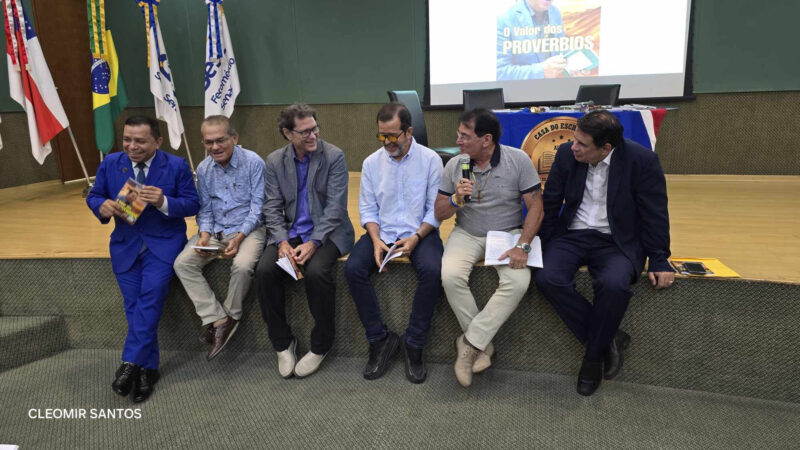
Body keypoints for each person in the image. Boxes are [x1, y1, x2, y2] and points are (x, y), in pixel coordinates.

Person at [534, 110, 674, 396]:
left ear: (605, 148)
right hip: (572, 234)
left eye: (582, 144)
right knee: (547, 278)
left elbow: (655, 212)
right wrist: (540, 244)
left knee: (614, 285)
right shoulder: (566, 154)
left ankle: (592, 358)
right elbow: (551, 202)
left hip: (617, 240)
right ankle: (609, 338)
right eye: (575, 140)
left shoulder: (641, 160)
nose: (573, 147)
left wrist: (659, 258)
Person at [86, 115, 199, 403]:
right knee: (133, 306)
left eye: (140, 141)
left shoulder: (176, 165)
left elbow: (192, 203)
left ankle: (129, 364)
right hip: (125, 246)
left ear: (158, 141)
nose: (132, 146)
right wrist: (101, 206)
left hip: (164, 245)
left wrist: (163, 201)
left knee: (150, 297)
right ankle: (147, 368)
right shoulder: (111, 163)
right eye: (127, 139)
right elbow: (94, 195)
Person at [434, 108, 543, 387]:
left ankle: (470, 344)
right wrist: (456, 199)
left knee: (518, 282)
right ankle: (482, 346)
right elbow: (439, 212)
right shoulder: (455, 165)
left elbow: (536, 207)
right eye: (458, 134)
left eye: (465, 136)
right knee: (450, 276)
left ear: (487, 140)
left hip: (508, 233)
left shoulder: (517, 160)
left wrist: (523, 245)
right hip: (467, 232)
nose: (458, 141)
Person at [344, 103, 443, 384]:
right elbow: (368, 209)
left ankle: (414, 342)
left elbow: (434, 210)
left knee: (433, 271)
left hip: (420, 232)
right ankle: (380, 340)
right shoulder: (371, 163)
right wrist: (375, 240)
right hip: (383, 232)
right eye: (382, 136)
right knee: (353, 269)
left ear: (408, 131)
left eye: (392, 136)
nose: (387, 142)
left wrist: (416, 238)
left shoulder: (430, 160)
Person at [255, 104, 354, 379]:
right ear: (287, 133)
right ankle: (282, 342)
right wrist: (282, 241)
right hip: (291, 231)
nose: (313, 136)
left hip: (329, 232)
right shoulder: (275, 161)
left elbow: (335, 208)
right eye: (305, 132)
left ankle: (321, 344)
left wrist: (315, 242)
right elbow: (271, 207)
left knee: (317, 272)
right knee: (264, 271)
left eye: (315, 129)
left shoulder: (334, 156)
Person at [173, 115, 266, 360]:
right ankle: (217, 318)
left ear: (234, 138)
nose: (215, 147)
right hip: (215, 231)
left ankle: (232, 315)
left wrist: (240, 237)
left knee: (243, 265)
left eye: (220, 140)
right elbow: (204, 209)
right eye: (208, 142)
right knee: (182, 264)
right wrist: (204, 235)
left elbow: (258, 208)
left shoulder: (253, 162)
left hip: (249, 230)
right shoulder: (204, 169)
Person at [497, 0, 567, 80]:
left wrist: (570, 68)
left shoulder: (555, 12)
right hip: (524, 88)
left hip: (557, 85)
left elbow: (562, 51)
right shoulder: (504, 19)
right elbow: (500, 72)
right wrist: (541, 71)